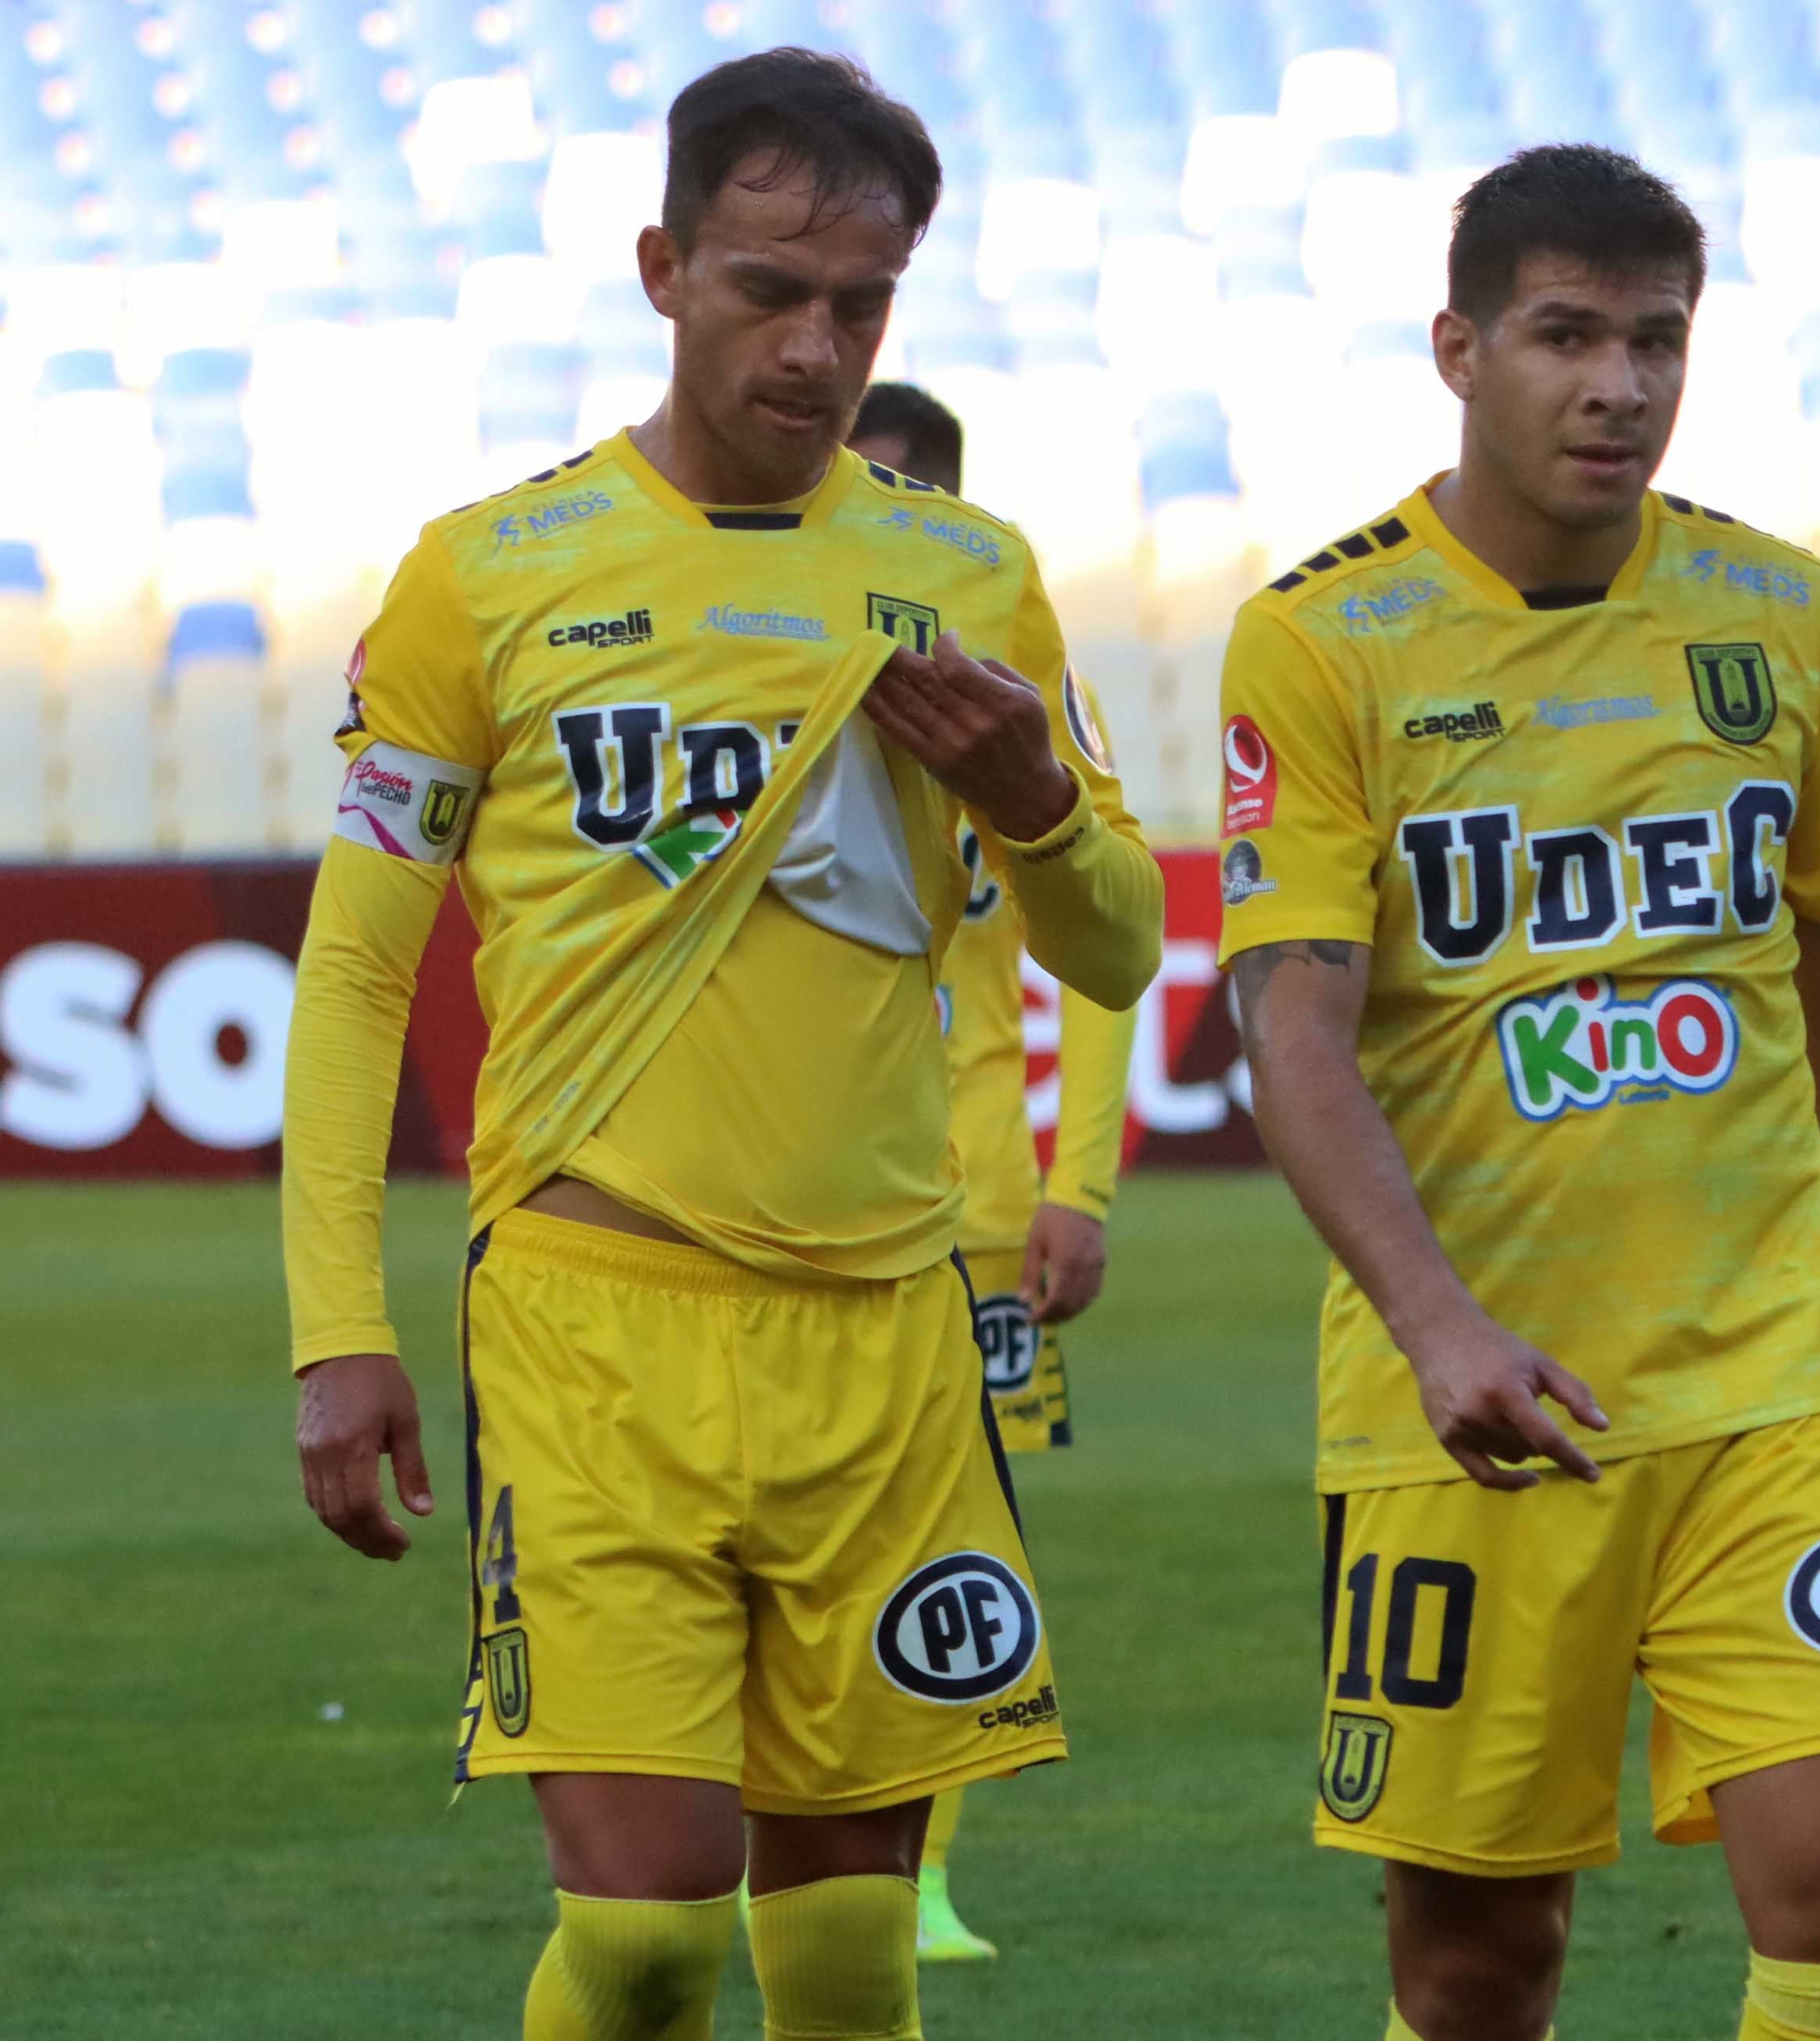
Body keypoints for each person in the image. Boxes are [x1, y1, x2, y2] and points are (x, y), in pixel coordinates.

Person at [280, 50, 1162, 2041]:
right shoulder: (485, 576)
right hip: (600, 1323)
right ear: (666, 268)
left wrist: (1033, 792)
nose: (819, 344)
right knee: (661, 1932)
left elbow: (1111, 941)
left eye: (862, 303)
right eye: (772, 289)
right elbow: (352, 977)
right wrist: (340, 1325)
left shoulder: (966, 575)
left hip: (887, 1332)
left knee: (849, 1953)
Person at [1214, 144, 1820, 2041]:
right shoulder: (1320, 641)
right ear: (1458, 348)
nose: (1617, 386)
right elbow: (1293, 1028)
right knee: (1482, 1965)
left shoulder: (1783, 614)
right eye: (1567, 336)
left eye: (1658, 340)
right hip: (1475, 1402)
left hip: (1775, 1381)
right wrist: (1435, 1325)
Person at [844, 382, 1143, 1963]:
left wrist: (1077, 1184)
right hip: (808, 1203)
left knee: (959, 1548)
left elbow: (1096, 947)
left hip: (972, 1212)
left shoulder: (1024, 696)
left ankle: (925, 1878)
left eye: (903, 492)